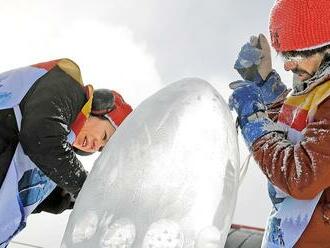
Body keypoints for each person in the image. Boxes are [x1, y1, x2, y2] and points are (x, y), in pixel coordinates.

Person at [229, 0, 330, 247]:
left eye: (294, 54)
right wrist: (266, 85)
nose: (286, 65)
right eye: (284, 55)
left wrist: (255, 124)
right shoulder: (319, 86)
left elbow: (302, 175)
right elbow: (297, 133)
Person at [0, 58, 132, 246]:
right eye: (104, 136)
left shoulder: (49, 163)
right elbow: (41, 138)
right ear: (100, 107)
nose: (95, 146)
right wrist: (90, 189)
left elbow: (53, 194)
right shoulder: (66, 86)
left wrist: (109, 198)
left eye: (101, 149)